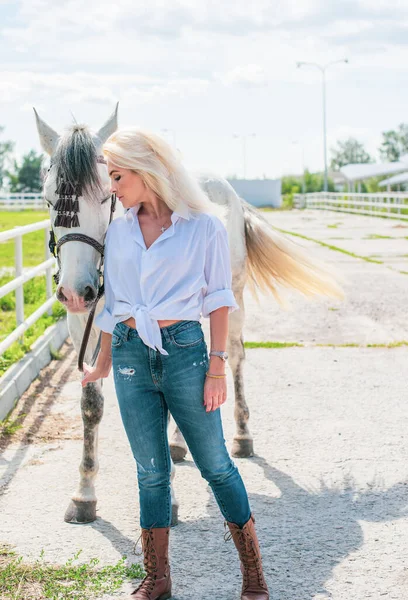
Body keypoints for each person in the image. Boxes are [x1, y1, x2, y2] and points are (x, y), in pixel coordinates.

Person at [81, 128, 269, 600]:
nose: (113, 189)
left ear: (146, 171)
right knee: (150, 470)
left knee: (216, 465)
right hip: (128, 353)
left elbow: (220, 300)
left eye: (118, 177)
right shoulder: (118, 229)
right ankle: (158, 577)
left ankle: (253, 575)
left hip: (185, 351)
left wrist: (217, 366)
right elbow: (113, 303)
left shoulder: (203, 227)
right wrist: (103, 361)